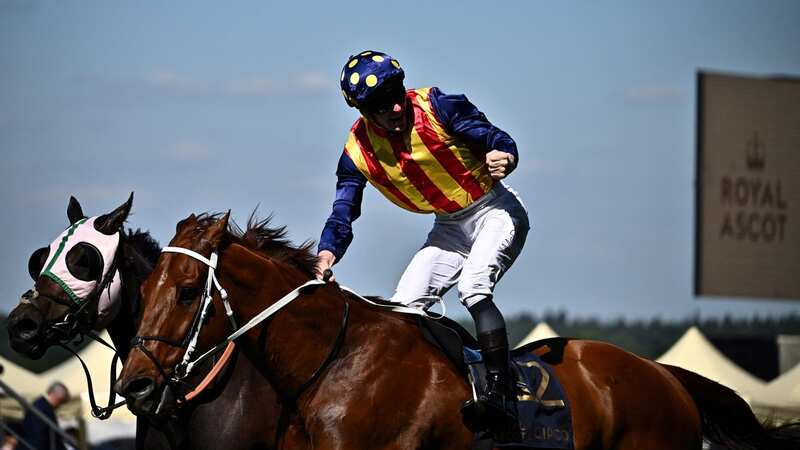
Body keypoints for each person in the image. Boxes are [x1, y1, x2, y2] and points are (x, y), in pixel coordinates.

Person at [316, 50, 529, 431]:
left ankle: (502, 396)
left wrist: (505, 153)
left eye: (398, 93)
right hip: (448, 227)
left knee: (474, 286)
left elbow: (494, 136)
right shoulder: (356, 152)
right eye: (383, 105)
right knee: (401, 312)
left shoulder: (437, 105)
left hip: (494, 210)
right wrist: (327, 254)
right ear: (364, 111)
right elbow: (344, 209)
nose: (397, 107)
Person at [22, 382, 70, 450]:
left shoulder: (38, 404)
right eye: (61, 401)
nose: (60, 405)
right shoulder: (44, 409)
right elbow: (47, 436)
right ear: (56, 396)